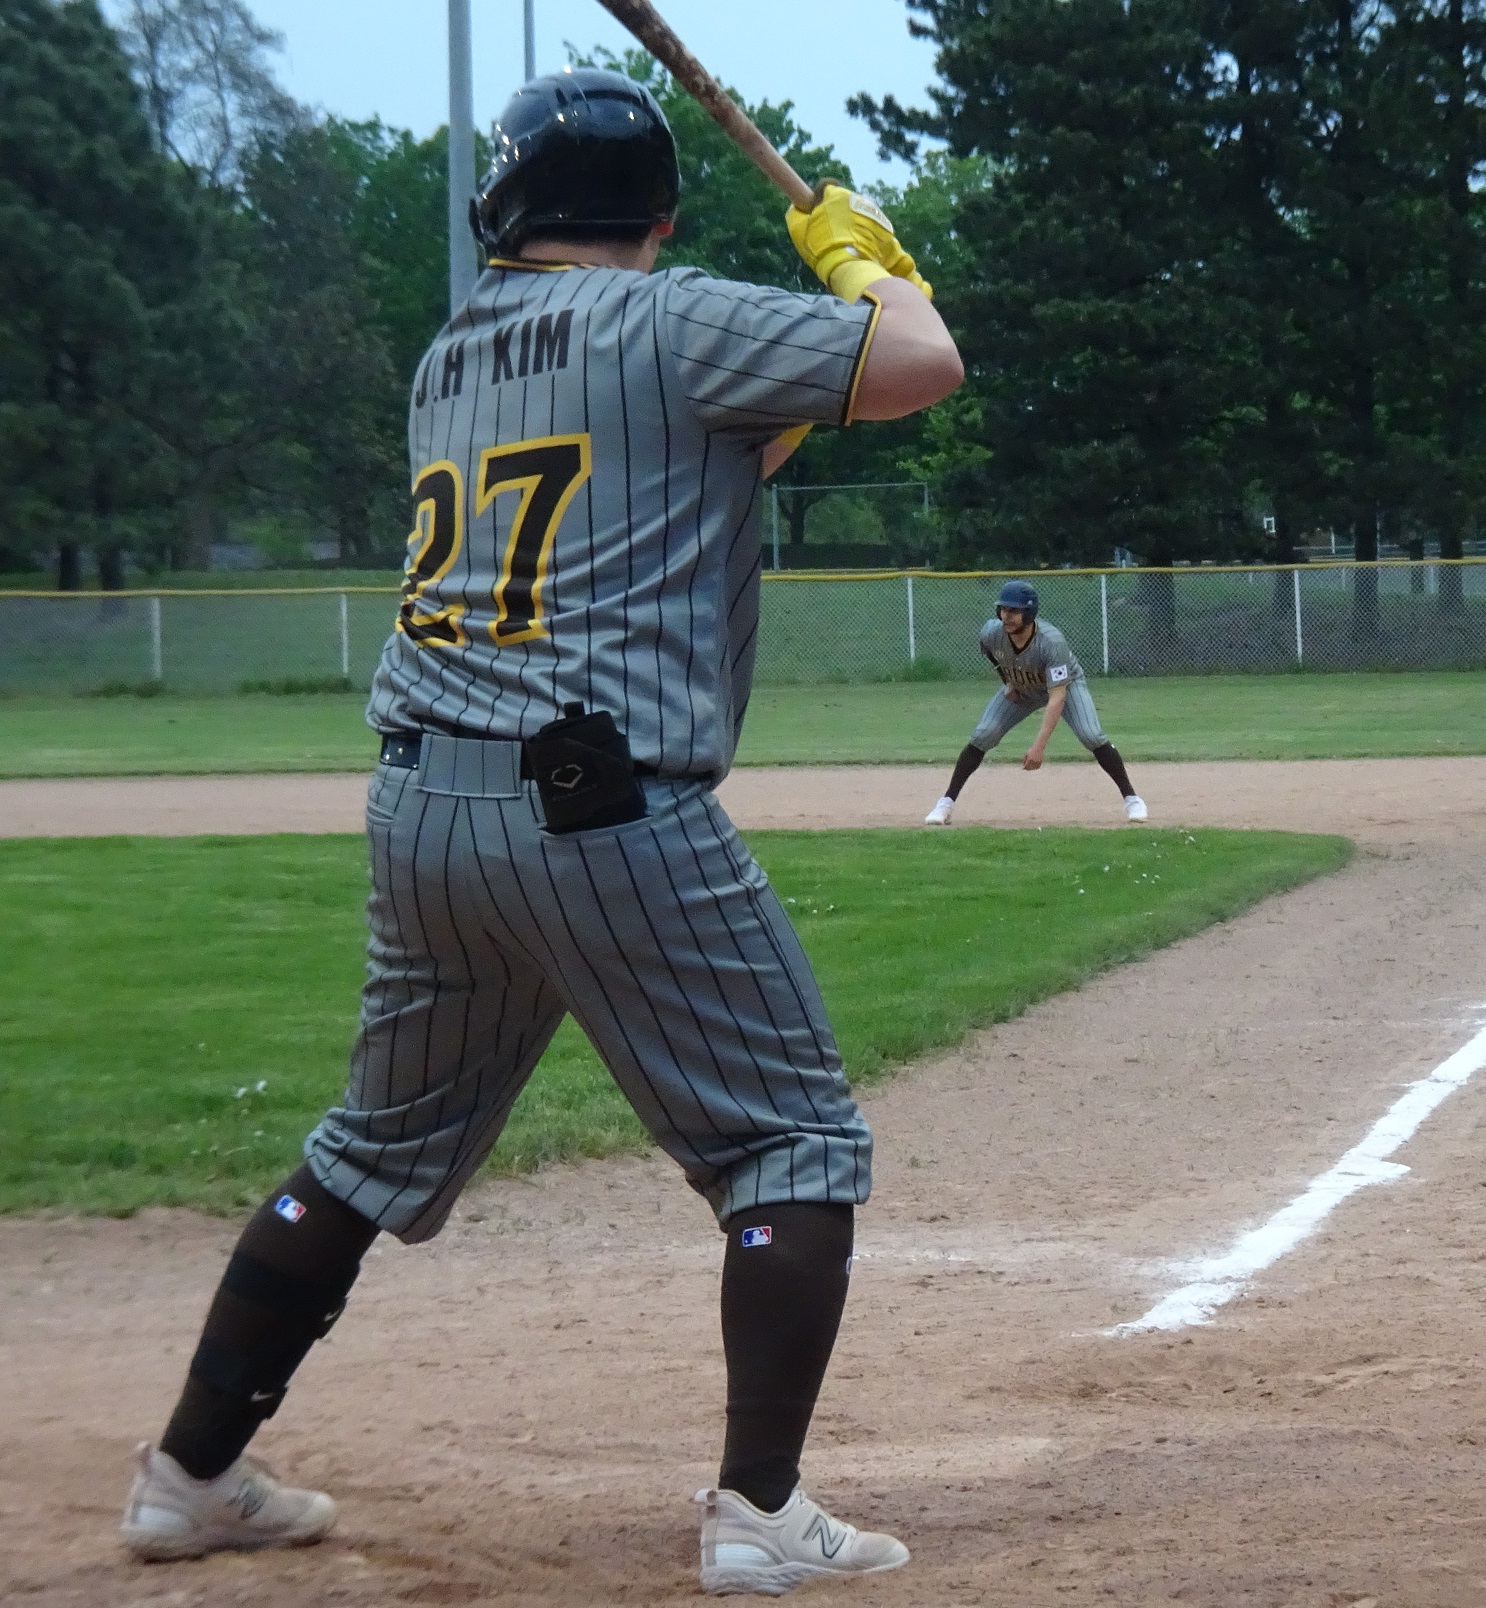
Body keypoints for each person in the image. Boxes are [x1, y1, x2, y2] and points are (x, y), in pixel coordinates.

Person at [115, 69, 963, 1597]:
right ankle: (762, 1513)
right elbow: (925, 365)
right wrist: (862, 268)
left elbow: (719, 451)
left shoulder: (450, 357)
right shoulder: (673, 320)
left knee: (366, 1152)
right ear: (657, 213)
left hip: (423, 808)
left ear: (502, 207)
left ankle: (187, 1476)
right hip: (598, 808)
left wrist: (850, 328)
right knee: (792, 1142)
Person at [922, 579, 1147, 825]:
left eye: (1014, 611)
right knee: (984, 734)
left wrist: (1038, 747)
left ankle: (1132, 799)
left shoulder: (1051, 642)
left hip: (1065, 687)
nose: (1006, 616)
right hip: (1023, 687)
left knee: (1091, 735)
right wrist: (1008, 682)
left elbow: (1057, 696)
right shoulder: (992, 632)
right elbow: (991, 653)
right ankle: (945, 803)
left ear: (1029, 613)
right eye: (1003, 609)